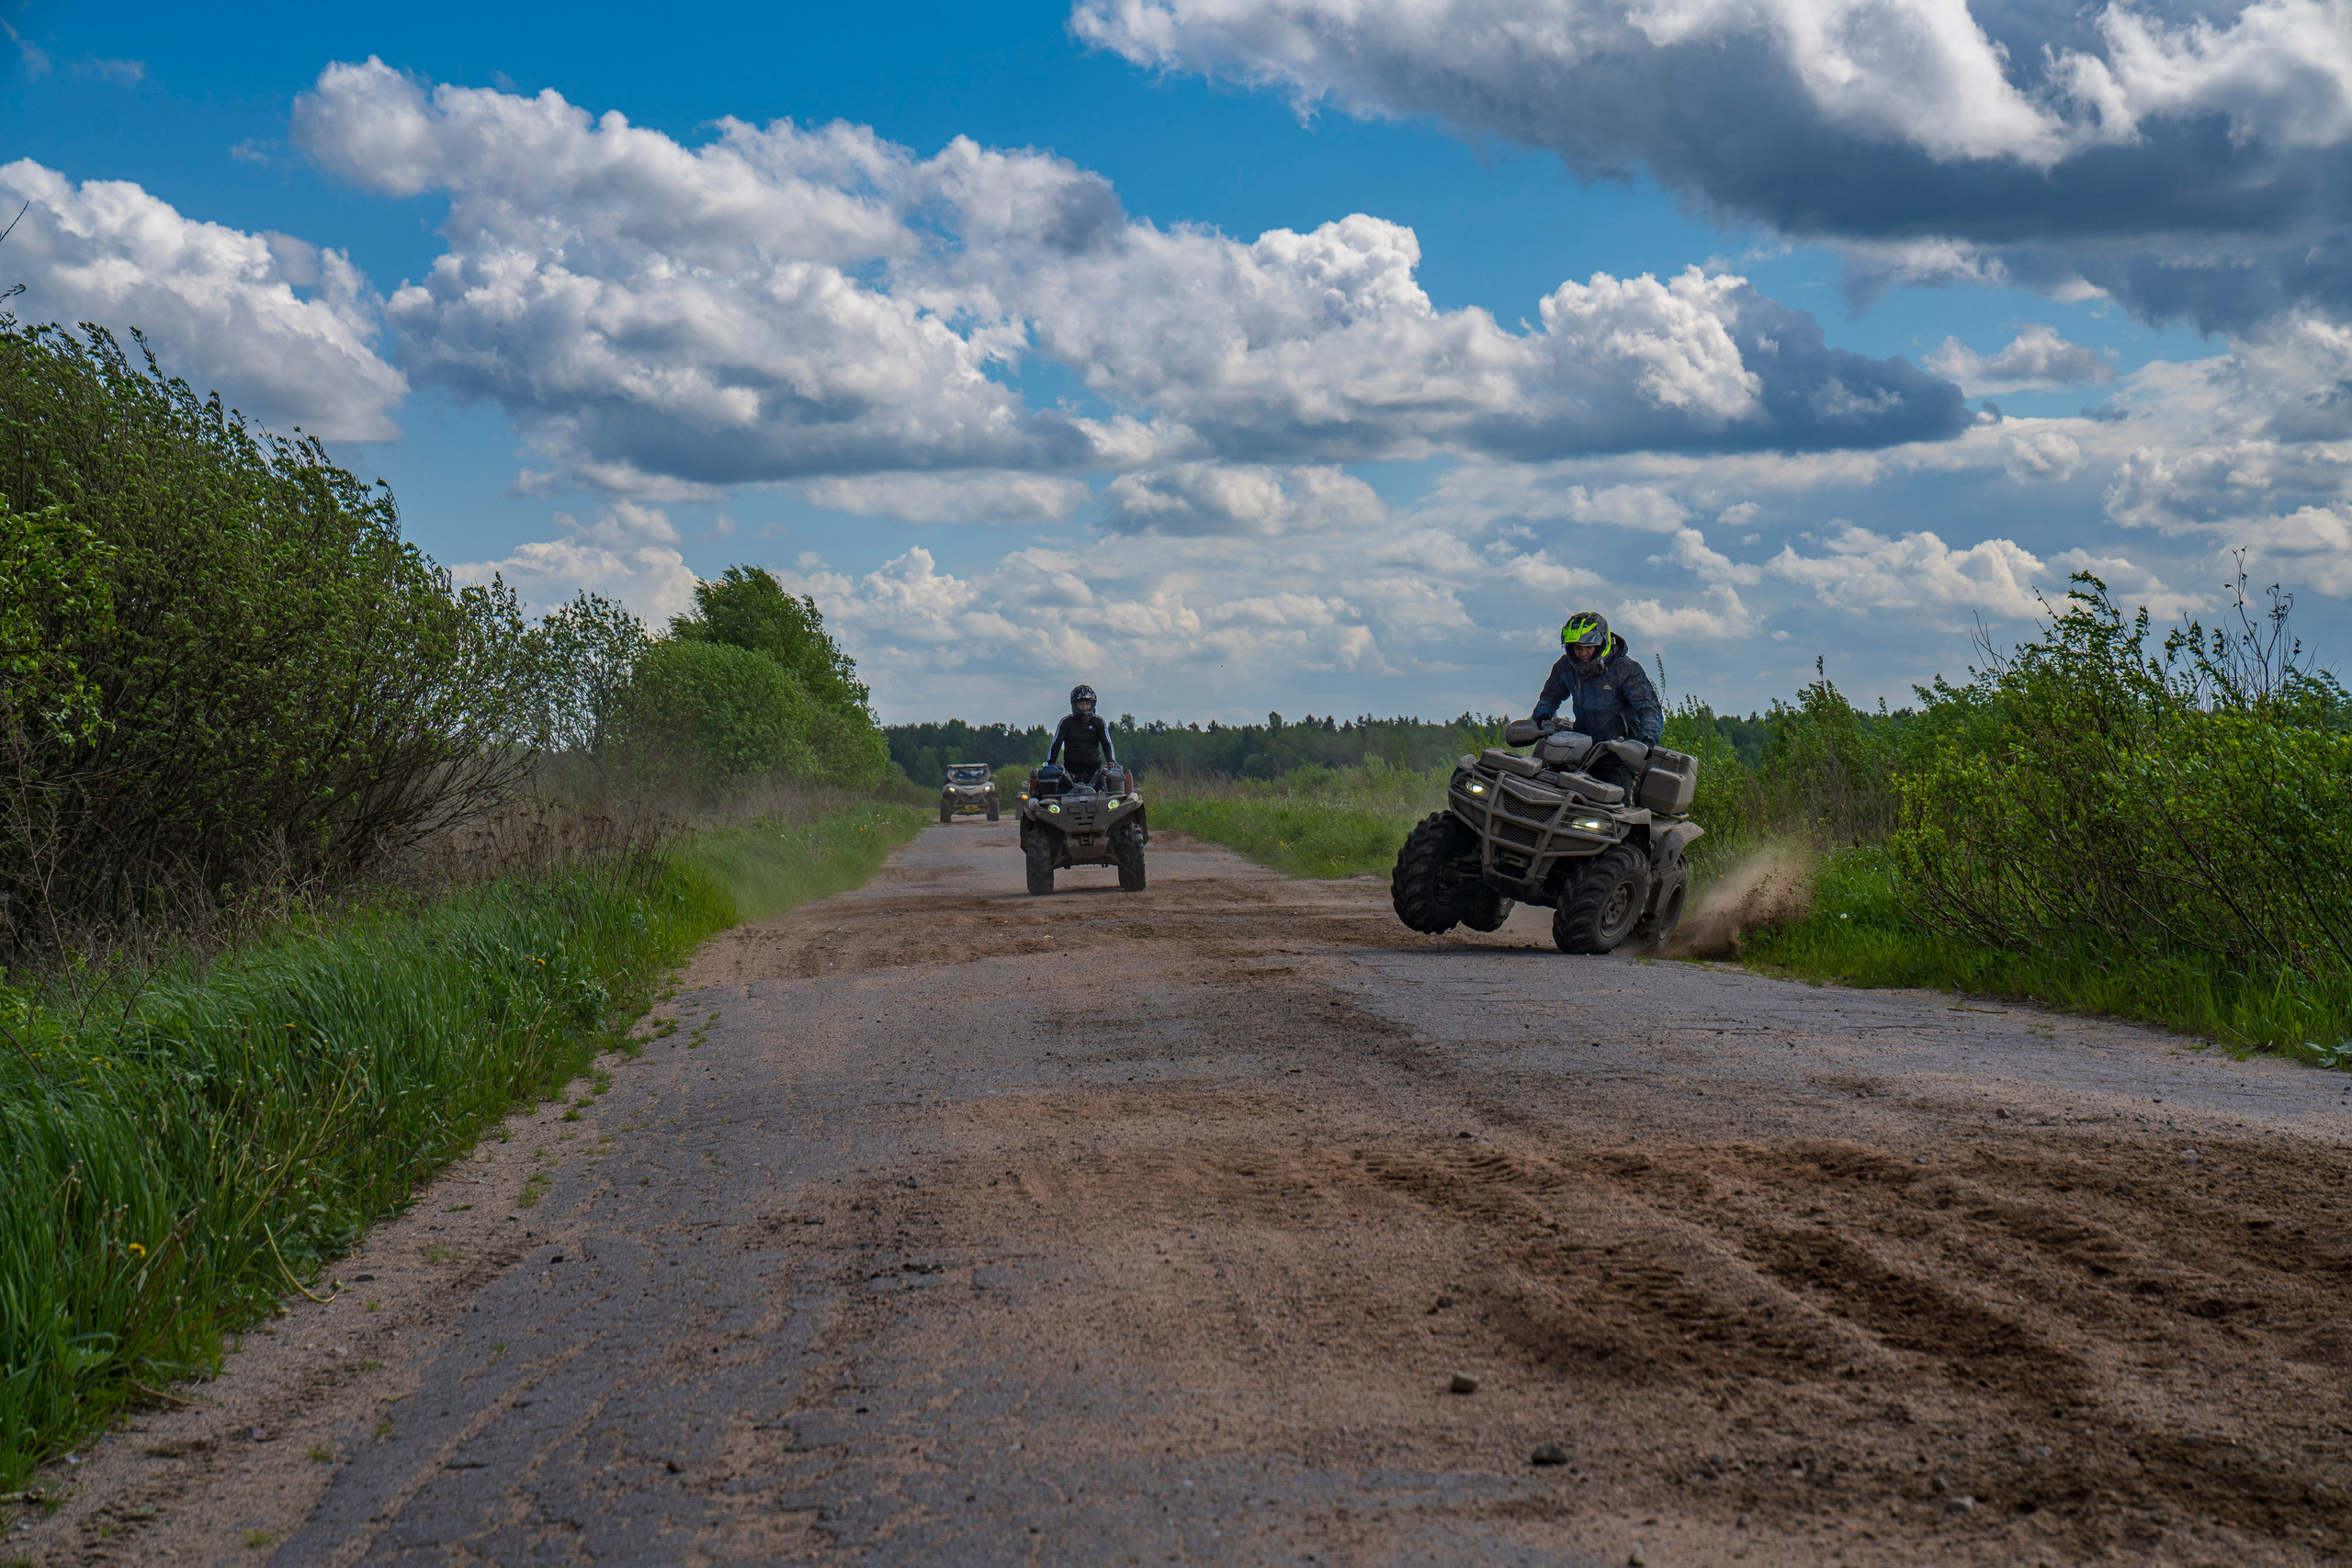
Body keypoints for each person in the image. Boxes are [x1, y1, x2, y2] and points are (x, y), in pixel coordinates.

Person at [1530, 612, 1662, 787]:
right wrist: (1541, 717)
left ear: (1601, 642)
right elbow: (1549, 697)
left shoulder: (1625, 669)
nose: (1582, 652)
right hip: (1578, 752)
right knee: (1546, 786)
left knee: (1615, 800)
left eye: (1588, 646)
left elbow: (1649, 709)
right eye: (1576, 647)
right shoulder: (1566, 666)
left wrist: (1647, 741)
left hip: (1618, 757)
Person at [1046, 683, 1116, 782]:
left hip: (1095, 772)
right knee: (1055, 789)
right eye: (1081, 704)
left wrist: (1111, 761)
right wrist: (1051, 763)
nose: (1085, 707)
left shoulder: (1098, 722)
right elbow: (1056, 743)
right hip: (1070, 773)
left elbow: (1107, 743)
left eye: (1087, 704)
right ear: (1075, 705)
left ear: (1092, 704)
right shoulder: (1066, 722)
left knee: (1112, 787)